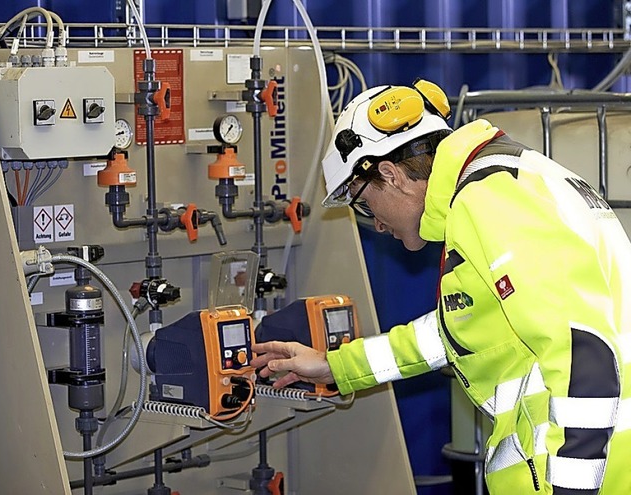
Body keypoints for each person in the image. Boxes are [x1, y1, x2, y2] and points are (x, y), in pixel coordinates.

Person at [250, 79, 631, 494]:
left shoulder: (490, 199)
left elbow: (582, 353)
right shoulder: (509, 180)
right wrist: (335, 366)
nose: (375, 223)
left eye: (364, 203)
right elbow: (460, 327)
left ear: (391, 175)